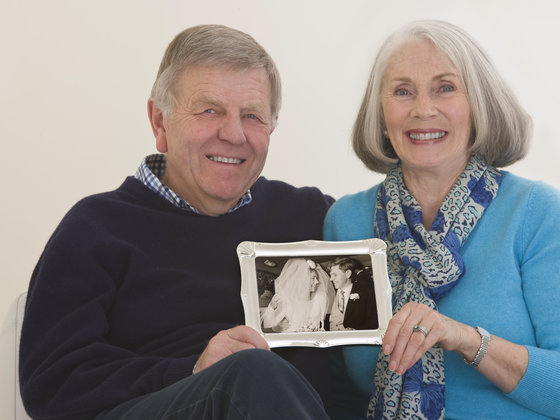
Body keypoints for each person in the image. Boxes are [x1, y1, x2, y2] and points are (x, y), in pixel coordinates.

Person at [19, 25, 334, 420]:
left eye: (252, 115)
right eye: (209, 110)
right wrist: (192, 369)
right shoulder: (96, 228)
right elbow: (51, 383)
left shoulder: (309, 215)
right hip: (153, 407)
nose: (233, 134)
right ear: (160, 122)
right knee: (252, 371)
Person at [323, 20, 560, 420]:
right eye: (403, 91)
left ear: (479, 105)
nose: (423, 109)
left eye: (445, 87)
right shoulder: (346, 221)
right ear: (381, 115)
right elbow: (338, 388)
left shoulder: (534, 211)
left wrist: (464, 338)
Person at [262, 258, 334, 332]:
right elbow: (269, 324)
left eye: (317, 278)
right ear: (303, 280)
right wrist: (272, 306)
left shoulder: (319, 298)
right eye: (313, 278)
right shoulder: (288, 299)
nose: (317, 281)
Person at [328, 257, 378, 331]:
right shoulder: (331, 293)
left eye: (335, 275)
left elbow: (374, 322)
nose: (331, 279)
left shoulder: (365, 293)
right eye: (330, 275)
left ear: (348, 274)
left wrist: (356, 331)